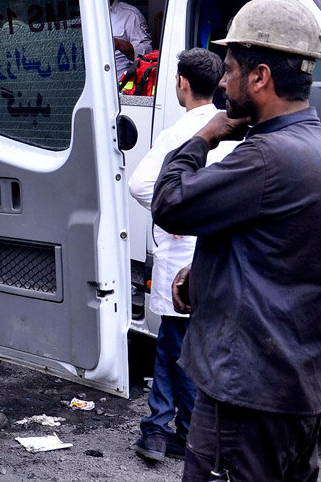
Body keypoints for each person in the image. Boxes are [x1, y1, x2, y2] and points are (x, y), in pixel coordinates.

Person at [151, 0, 321, 481]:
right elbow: (279, 253)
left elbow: (169, 202)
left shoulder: (267, 155)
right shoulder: (319, 147)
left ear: (260, 77)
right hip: (293, 387)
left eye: (230, 69)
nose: (222, 82)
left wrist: (206, 135)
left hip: (248, 395)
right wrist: (202, 275)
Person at [128, 48, 230, 463]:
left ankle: (179, 431)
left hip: (180, 256)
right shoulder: (235, 131)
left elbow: (139, 185)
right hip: (218, 255)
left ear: (182, 83)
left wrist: (176, 212)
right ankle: (159, 429)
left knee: (177, 348)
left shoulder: (180, 133)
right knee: (186, 346)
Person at [108, 0, 152, 79]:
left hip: (119, 84)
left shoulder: (131, 15)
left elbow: (147, 54)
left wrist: (119, 44)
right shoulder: (85, 15)